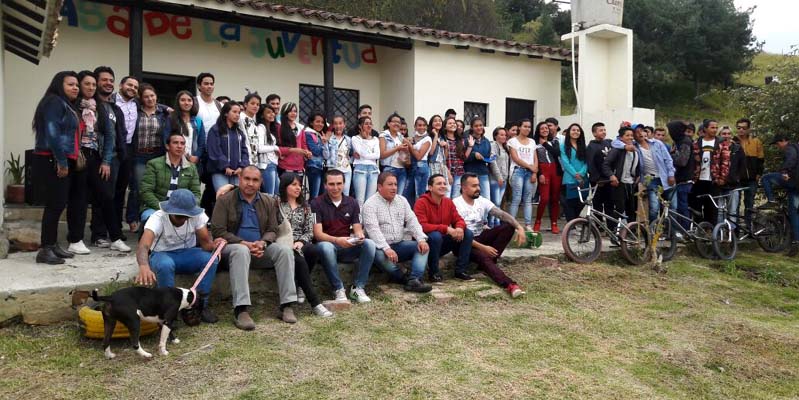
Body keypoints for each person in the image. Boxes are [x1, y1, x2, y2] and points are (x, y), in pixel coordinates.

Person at [210, 166, 298, 327]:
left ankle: (287, 305)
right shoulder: (225, 200)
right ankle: (241, 310)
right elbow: (218, 231)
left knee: (284, 251)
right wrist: (243, 243)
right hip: (232, 249)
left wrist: (263, 243)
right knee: (241, 250)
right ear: (240, 179)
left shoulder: (268, 201)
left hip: (259, 248)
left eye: (255, 180)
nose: (250, 183)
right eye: (247, 179)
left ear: (261, 182)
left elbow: (273, 229)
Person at [135, 189, 221, 324]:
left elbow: (206, 245)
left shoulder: (198, 216)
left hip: (187, 253)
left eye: (187, 216)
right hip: (161, 254)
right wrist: (144, 266)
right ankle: (167, 311)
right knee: (165, 265)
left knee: (211, 259)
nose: (183, 219)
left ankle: (199, 305)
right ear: (169, 211)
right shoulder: (157, 218)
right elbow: (143, 246)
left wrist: (216, 244)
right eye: (179, 216)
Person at [74, 70, 129, 253]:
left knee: (106, 196)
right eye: (87, 84)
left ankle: (115, 237)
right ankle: (75, 240)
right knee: (79, 199)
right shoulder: (73, 105)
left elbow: (110, 134)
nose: (90, 87)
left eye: (92, 85)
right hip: (77, 158)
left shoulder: (101, 106)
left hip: (96, 157)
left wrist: (105, 161)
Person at [33, 71, 84, 264]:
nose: (75, 88)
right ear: (58, 85)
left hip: (59, 158)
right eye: (70, 84)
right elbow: (52, 132)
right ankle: (45, 249)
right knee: (54, 205)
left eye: (76, 85)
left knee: (58, 203)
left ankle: (52, 245)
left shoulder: (64, 104)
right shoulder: (54, 102)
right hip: (52, 159)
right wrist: (61, 161)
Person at [454, 174, 527, 297]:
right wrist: (483, 248)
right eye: (474, 186)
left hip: (480, 237)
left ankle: (489, 263)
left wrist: (519, 227)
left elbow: (502, 214)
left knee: (508, 226)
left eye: (478, 185)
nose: (478, 188)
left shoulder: (481, 200)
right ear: (464, 188)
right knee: (483, 256)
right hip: (464, 244)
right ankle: (510, 285)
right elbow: (460, 236)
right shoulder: (456, 204)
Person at [311, 170, 378, 303]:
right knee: (325, 247)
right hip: (327, 245)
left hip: (347, 245)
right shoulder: (316, 203)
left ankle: (358, 288)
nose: (335, 188)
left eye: (339, 183)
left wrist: (359, 236)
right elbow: (318, 234)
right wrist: (337, 240)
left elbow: (358, 228)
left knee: (369, 244)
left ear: (344, 184)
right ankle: (338, 289)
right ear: (325, 185)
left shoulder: (352, 202)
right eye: (331, 184)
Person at [363, 172, 432, 293]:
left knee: (423, 247)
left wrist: (421, 239)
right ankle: (403, 278)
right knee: (378, 255)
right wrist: (386, 248)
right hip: (380, 248)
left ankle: (414, 279)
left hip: (399, 244)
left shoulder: (402, 200)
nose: (394, 187)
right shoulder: (370, 204)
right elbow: (373, 229)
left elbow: (412, 221)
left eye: (395, 184)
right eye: (390, 184)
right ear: (380, 187)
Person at [277, 174, 333, 317]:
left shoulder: (305, 206)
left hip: (300, 241)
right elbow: (256, 192)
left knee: (313, 250)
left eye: (299, 185)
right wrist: (230, 186)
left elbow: (309, 231)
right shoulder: (275, 203)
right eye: (294, 185)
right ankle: (315, 303)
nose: (298, 188)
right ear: (285, 186)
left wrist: (301, 241)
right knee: (299, 261)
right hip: (282, 242)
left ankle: (301, 283)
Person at [89, 66, 128, 248]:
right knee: (101, 196)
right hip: (100, 157)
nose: (108, 83)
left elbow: (119, 133)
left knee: (110, 196)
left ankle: (108, 233)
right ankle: (99, 235)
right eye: (104, 80)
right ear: (96, 82)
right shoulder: (91, 105)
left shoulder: (114, 108)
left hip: (115, 158)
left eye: (111, 80)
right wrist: (104, 160)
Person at [414, 174, 474, 282]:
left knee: (468, 233)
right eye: (439, 183)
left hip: (442, 243)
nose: (443, 186)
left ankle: (461, 271)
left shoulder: (448, 202)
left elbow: (458, 219)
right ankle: (433, 273)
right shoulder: (421, 202)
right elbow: (421, 226)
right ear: (430, 188)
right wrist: (446, 229)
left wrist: (459, 228)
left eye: (444, 183)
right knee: (435, 236)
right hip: (426, 244)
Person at [611, 123, 675, 222]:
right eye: (637, 132)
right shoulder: (634, 147)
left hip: (666, 178)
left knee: (672, 207)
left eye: (642, 130)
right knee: (654, 208)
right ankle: (651, 231)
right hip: (651, 180)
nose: (640, 134)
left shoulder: (657, 143)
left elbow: (668, 160)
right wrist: (625, 146)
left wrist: (671, 175)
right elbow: (615, 142)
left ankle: (673, 232)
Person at [128, 83, 171, 232]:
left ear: (156, 97)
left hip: (156, 154)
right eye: (146, 96)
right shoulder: (135, 110)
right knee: (138, 187)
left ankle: (150, 218)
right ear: (141, 98)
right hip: (139, 154)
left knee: (155, 187)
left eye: (152, 96)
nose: (149, 99)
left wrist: (165, 108)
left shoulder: (163, 113)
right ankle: (132, 218)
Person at [139, 132, 202, 222]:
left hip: (183, 210)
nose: (179, 146)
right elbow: (146, 191)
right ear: (167, 146)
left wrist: (186, 209)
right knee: (149, 218)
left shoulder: (191, 167)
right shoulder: (153, 164)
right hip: (156, 207)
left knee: (201, 219)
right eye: (175, 143)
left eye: (182, 143)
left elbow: (196, 194)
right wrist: (163, 208)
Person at [690, 119, 731, 224]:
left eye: (716, 128)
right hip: (698, 179)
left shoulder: (721, 143)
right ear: (705, 129)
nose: (715, 130)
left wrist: (722, 177)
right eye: (712, 127)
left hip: (713, 180)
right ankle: (698, 229)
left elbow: (725, 161)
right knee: (697, 205)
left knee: (712, 207)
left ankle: (711, 231)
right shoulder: (696, 143)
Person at [114, 75, 139, 234]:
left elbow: (154, 103)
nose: (132, 89)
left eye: (136, 87)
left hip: (129, 150)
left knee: (121, 190)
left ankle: (116, 228)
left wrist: (166, 108)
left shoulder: (137, 104)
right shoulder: (110, 101)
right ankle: (100, 231)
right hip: (113, 149)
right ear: (121, 85)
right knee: (107, 190)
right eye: (129, 85)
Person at [206, 101, 249, 191]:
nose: (237, 115)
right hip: (220, 172)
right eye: (234, 112)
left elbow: (244, 151)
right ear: (225, 113)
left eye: (239, 112)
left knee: (237, 200)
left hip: (237, 172)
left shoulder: (239, 132)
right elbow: (214, 151)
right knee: (223, 198)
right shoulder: (215, 130)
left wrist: (242, 167)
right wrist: (225, 166)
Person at [603, 127, 640, 225]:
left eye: (632, 135)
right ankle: (614, 230)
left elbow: (638, 166)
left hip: (630, 184)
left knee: (631, 209)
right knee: (619, 209)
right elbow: (606, 164)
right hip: (619, 183)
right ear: (621, 138)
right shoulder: (617, 150)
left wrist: (638, 175)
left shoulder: (635, 151)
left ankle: (630, 230)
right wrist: (611, 176)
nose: (630, 138)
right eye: (627, 135)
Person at [508, 119, 538, 231]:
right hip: (518, 171)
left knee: (528, 199)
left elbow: (535, 158)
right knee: (516, 197)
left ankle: (528, 225)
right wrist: (530, 167)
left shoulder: (532, 142)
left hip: (530, 173)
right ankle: (512, 225)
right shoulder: (513, 141)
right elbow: (515, 158)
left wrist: (534, 172)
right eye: (525, 126)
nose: (527, 129)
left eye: (529, 127)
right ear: (519, 127)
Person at [666, 120, 696, 229]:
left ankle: (684, 229)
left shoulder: (685, 142)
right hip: (679, 179)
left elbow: (682, 161)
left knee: (682, 206)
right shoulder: (678, 142)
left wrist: (669, 157)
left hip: (684, 180)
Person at [735, 118, 764, 226]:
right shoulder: (733, 141)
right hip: (737, 179)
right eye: (739, 128)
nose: (741, 130)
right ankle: (735, 229)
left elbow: (761, 160)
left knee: (749, 203)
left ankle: (748, 227)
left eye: (744, 128)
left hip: (752, 178)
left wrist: (758, 174)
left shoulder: (756, 141)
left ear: (749, 129)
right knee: (735, 204)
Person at [586, 122, 613, 224]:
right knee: (597, 204)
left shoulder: (608, 143)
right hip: (598, 181)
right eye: (601, 130)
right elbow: (590, 164)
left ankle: (611, 226)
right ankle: (599, 226)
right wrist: (597, 179)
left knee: (609, 204)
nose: (603, 132)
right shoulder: (591, 147)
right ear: (594, 133)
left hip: (609, 179)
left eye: (604, 130)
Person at [169, 90, 206, 166]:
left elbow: (201, 143)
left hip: (194, 161)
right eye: (183, 100)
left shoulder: (198, 121)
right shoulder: (171, 119)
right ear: (178, 102)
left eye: (189, 100)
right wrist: (184, 155)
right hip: (175, 160)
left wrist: (197, 156)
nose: (186, 103)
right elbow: (166, 139)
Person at [276, 102, 311, 178]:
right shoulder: (279, 127)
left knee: (297, 189)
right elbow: (277, 147)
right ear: (285, 113)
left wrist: (307, 152)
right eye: (290, 111)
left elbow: (303, 145)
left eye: (295, 111)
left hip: (299, 166)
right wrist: (293, 150)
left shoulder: (300, 128)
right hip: (284, 166)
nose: (293, 113)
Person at [351, 116, 381, 206]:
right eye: (366, 123)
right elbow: (361, 153)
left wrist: (366, 155)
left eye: (370, 123)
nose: (369, 125)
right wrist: (364, 140)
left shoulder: (375, 139)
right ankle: (359, 220)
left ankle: (368, 219)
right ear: (360, 126)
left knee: (370, 201)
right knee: (360, 200)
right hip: (360, 169)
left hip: (373, 170)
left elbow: (378, 155)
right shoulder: (355, 138)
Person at [380, 113, 411, 196]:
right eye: (394, 121)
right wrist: (397, 148)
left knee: (400, 197)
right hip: (389, 169)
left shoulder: (400, 136)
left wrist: (406, 150)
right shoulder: (383, 135)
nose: (396, 124)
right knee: (388, 195)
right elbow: (382, 154)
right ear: (388, 123)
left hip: (402, 169)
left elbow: (411, 147)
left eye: (399, 122)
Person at [463, 117, 492, 200]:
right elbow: (463, 158)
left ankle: (484, 214)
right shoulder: (467, 140)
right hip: (470, 173)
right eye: (476, 126)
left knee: (486, 199)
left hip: (483, 173)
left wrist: (490, 158)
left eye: (481, 125)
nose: (479, 128)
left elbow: (487, 156)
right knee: (472, 198)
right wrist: (473, 155)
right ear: (472, 127)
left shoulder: (486, 141)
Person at [323, 115, 353, 196]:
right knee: (332, 194)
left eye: (340, 123)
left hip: (346, 170)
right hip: (333, 170)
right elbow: (325, 156)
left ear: (344, 124)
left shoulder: (348, 139)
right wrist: (325, 143)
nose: (338, 126)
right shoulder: (329, 138)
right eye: (335, 123)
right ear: (332, 125)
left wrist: (350, 160)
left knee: (345, 194)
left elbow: (351, 153)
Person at [254, 104, 281, 195]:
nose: (272, 114)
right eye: (268, 112)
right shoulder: (261, 128)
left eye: (273, 112)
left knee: (277, 195)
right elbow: (259, 148)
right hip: (266, 165)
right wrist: (275, 148)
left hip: (272, 164)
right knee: (270, 195)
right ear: (262, 115)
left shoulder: (269, 129)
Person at [406, 117, 432, 206]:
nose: (422, 127)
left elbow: (419, 156)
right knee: (408, 195)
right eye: (419, 125)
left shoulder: (427, 139)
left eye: (424, 125)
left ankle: (420, 217)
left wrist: (409, 145)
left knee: (419, 195)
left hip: (421, 167)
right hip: (412, 167)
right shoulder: (412, 138)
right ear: (415, 127)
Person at [488, 127, 510, 228]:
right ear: (495, 136)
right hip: (495, 178)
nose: (503, 137)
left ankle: (497, 222)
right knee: (495, 202)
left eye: (505, 135)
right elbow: (493, 162)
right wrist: (498, 177)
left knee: (499, 202)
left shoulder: (506, 147)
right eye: (501, 134)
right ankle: (492, 223)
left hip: (504, 179)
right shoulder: (493, 145)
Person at [304, 111, 328, 198]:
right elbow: (316, 151)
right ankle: (313, 212)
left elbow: (326, 155)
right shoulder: (308, 134)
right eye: (317, 121)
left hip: (321, 168)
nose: (320, 124)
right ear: (311, 122)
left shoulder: (319, 134)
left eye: (322, 122)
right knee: (314, 196)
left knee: (321, 196)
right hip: (313, 167)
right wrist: (323, 143)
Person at [427, 114, 451, 195]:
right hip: (433, 165)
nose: (438, 122)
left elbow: (445, 157)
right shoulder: (429, 136)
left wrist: (446, 146)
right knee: (435, 190)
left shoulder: (443, 137)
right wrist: (435, 136)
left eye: (440, 121)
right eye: (435, 121)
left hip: (442, 165)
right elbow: (431, 152)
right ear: (431, 124)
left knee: (444, 191)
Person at [443, 117, 465, 197]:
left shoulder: (460, 140)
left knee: (456, 198)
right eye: (450, 123)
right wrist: (448, 173)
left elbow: (463, 157)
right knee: (447, 197)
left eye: (454, 123)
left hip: (459, 173)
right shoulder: (443, 140)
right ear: (445, 127)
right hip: (447, 172)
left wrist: (470, 146)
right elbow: (442, 160)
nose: (453, 125)